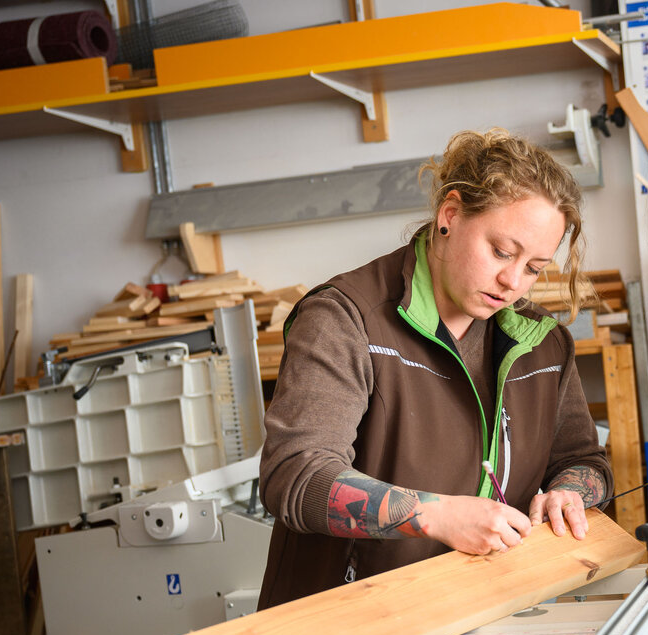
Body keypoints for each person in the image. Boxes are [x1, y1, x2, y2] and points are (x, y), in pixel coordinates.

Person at [258, 128, 612, 610]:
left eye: (534, 267)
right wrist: (435, 515)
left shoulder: (543, 344)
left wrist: (569, 492)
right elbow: (295, 477)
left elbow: (585, 462)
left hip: (486, 625)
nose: (512, 281)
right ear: (450, 215)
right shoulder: (345, 320)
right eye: (502, 252)